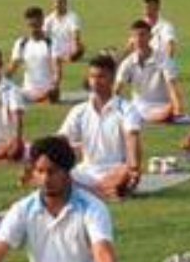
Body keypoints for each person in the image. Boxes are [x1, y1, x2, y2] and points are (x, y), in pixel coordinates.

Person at [57, 55, 144, 200]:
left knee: (125, 173)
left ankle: (93, 191)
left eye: (101, 77)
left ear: (112, 78)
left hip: (116, 171)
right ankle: (102, 192)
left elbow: (132, 138)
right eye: (92, 77)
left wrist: (134, 168)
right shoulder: (79, 110)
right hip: (85, 172)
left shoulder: (126, 109)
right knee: (55, 174)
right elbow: (61, 139)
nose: (96, 82)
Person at [115, 19, 181, 123]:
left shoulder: (164, 60)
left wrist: (178, 109)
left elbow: (172, 87)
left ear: (150, 37)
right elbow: (117, 90)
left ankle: (159, 116)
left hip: (161, 105)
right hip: (137, 106)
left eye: (142, 35)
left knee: (166, 111)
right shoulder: (127, 62)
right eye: (135, 36)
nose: (138, 39)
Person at [8, 6, 61, 105]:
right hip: (27, 91)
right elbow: (12, 68)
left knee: (50, 96)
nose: (34, 24)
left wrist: (55, 85)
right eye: (31, 21)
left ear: (42, 21)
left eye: (37, 21)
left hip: (47, 90)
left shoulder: (51, 42)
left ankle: (42, 98)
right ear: (27, 23)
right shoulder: (21, 43)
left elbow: (57, 67)